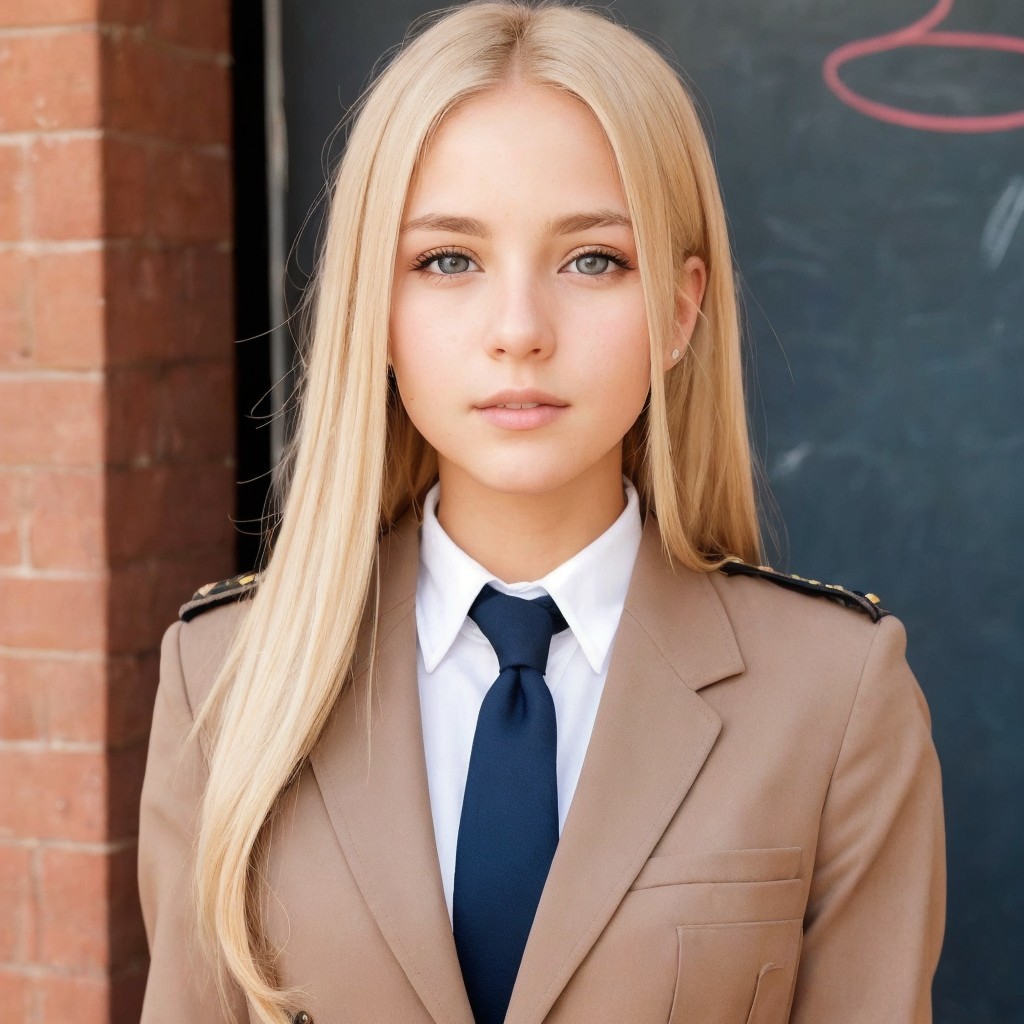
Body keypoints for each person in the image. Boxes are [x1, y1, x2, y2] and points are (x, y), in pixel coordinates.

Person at [137, 3, 945, 1023]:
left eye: (591, 259)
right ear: (372, 308)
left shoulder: (832, 698)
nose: (518, 330)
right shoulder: (223, 678)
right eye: (448, 260)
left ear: (681, 307)